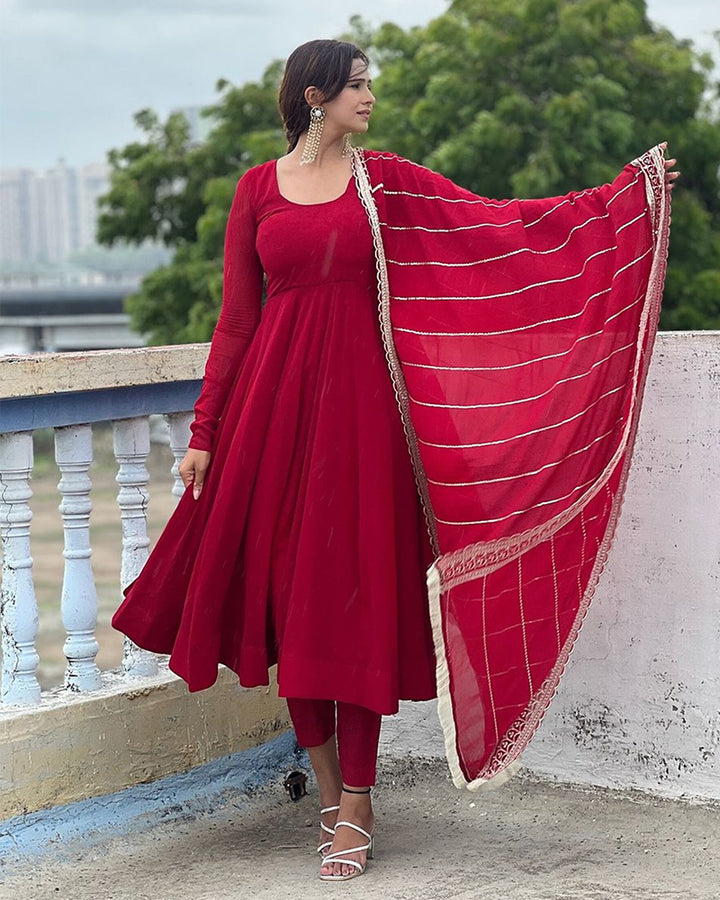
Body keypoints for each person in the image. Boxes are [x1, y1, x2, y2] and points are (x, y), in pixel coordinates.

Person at [112, 38, 678, 883]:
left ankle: (359, 802)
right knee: (285, 597)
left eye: (369, 83)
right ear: (315, 97)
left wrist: (623, 201)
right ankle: (331, 785)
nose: (370, 95)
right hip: (271, 416)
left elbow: (502, 227)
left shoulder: (388, 185)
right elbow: (237, 320)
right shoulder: (256, 192)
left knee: (355, 596)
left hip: (365, 418)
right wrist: (204, 431)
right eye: (357, 85)